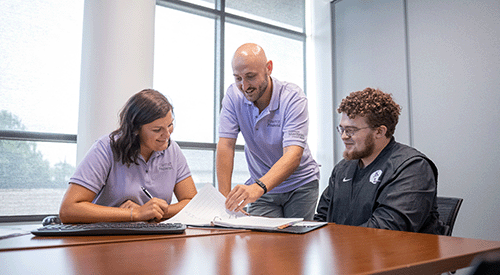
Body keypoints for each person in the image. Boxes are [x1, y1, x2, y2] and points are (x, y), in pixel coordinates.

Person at [314, 87, 445, 234]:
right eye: (342, 129)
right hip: (347, 252)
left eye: (351, 130)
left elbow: (387, 229)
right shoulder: (343, 168)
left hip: (400, 255)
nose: (344, 136)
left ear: (379, 132)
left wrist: (336, 241)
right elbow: (321, 220)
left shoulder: (412, 167)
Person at [59, 89, 197, 223]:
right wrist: (135, 213)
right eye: (157, 130)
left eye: (170, 125)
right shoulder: (105, 148)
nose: (167, 135)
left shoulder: (172, 150)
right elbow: (68, 209)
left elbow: (193, 203)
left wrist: (158, 211)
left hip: (152, 237)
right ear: (135, 129)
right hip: (107, 239)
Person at [217, 43, 320, 220]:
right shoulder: (233, 96)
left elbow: (293, 155)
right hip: (261, 187)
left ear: (268, 68)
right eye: (238, 78)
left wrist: (257, 188)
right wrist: (224, 199)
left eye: (250, 77)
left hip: (300, 184)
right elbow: (226, 145)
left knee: (296, 245)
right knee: (262, 244)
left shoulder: (293, 98)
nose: (244, 86)